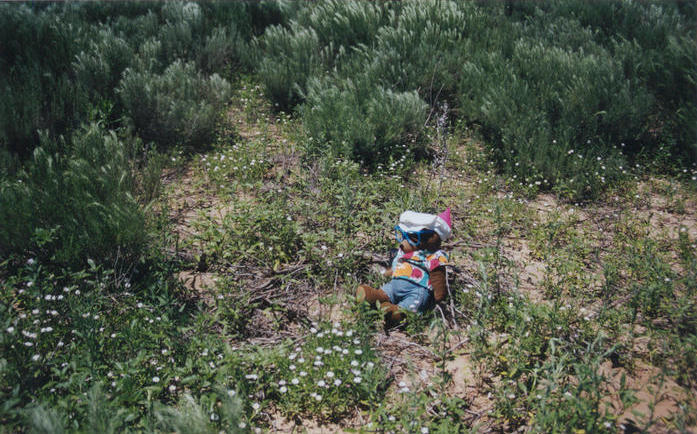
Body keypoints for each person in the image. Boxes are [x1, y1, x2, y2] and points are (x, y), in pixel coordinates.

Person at [356, 208, 452, 326]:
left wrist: (439, 294)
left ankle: (393, 312)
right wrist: (387, 273)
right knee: (385, 292)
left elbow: (437, 275)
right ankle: (372, 296)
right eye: (403, 236)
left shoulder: (434, 256)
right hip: (396, 284)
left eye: (412, 238)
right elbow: (397, 265)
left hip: (418, 290)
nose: (403, 243)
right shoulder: (404, 253)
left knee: (410, 306)